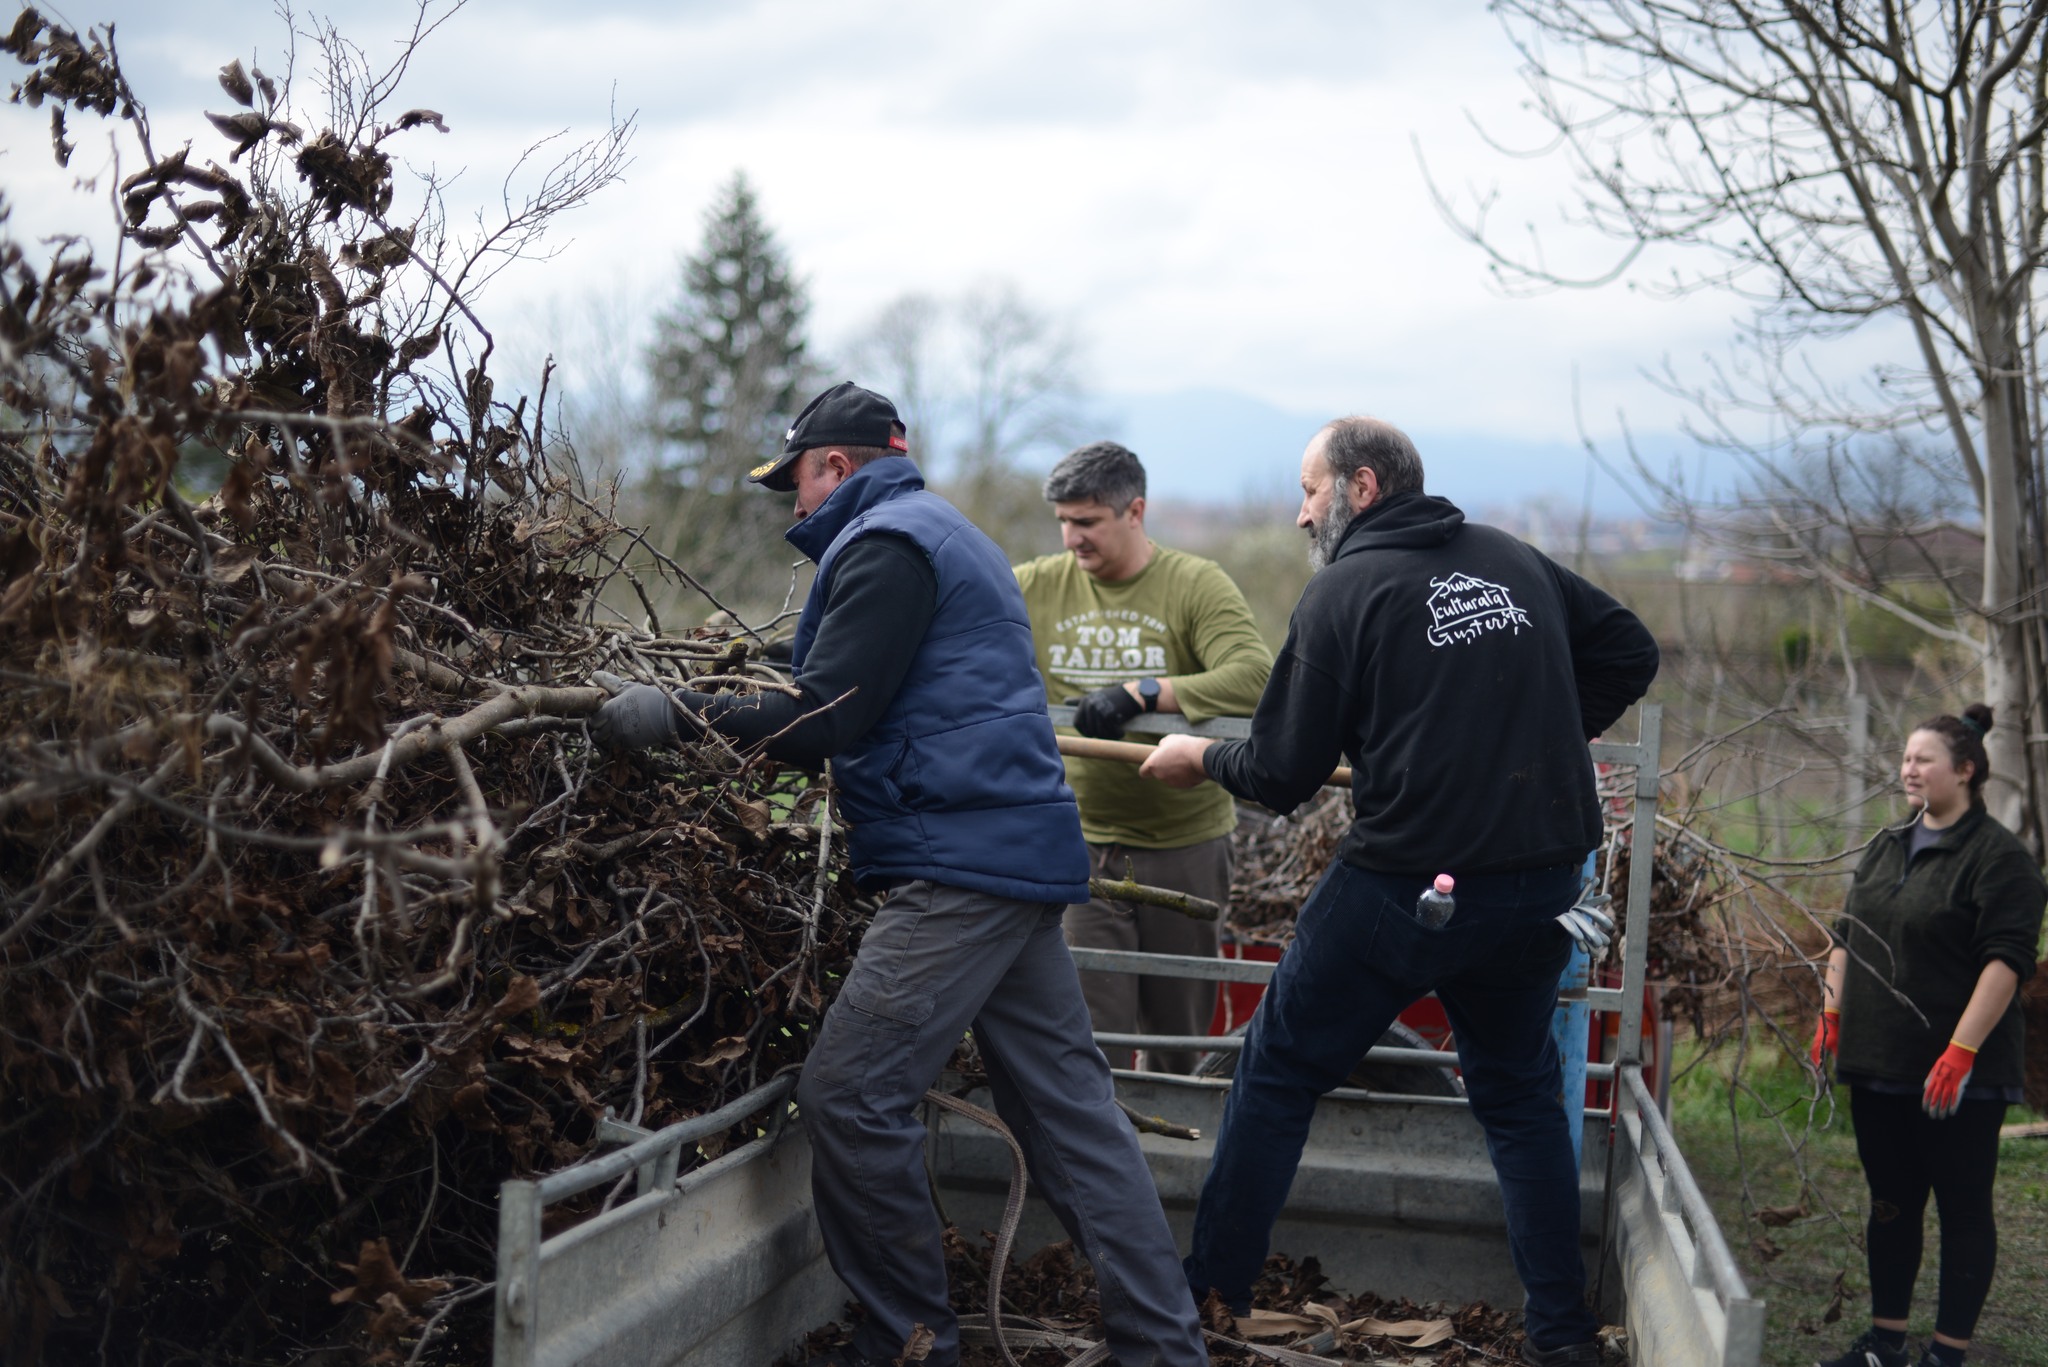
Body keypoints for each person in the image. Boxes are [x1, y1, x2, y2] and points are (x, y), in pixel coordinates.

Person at [591, 382, 1208, 1367]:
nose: (790, 504)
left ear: (833, 466)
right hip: (1015, 856)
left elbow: (823, 717)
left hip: (957, 865)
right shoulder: (939, 533)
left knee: (847, 1095)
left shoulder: (883, 544)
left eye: (792, 480)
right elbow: (863, 682)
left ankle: (908, 1343)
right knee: (1069, 1118)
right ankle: (1164, 1348)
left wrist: (673, 713)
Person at [1138, 416, 1660, 1367]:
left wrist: (1197, 753)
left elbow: (1283, 771)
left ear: (1362, 487)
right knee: (1522, 1097)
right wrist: (1530, 736)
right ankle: (1564, 1337)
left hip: (1408, 888)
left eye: (1308, 489)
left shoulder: (1346, 590)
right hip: (1543, 883)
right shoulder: (1511, 556)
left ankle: (1207, 1298)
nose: (1300, 514)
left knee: (1280, 1068)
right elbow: (1629, 649)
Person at [1015, 441, 1273, 1073]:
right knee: (1088, 1038)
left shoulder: (1194, 583)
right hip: (1079, 846)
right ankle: (1103, 1166)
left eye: (1087, 522)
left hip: (1183, 847)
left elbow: (1257, 676)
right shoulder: (1034, 586)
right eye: (1064, 523)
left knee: (1176, 1039)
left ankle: (1174, 1163)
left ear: (1135, 511)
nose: (1072, 538)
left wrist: (1147, 693)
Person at [1809, 706, 2044, 1367]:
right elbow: (1846, 935)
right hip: (1880, 1062)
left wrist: (1962, 1049)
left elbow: (2007, 962)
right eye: (1906, 758)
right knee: (1891, 1202)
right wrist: (1831, 1015)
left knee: (1964, 1206)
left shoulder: (2001, 859)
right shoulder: (1888, 843)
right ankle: (1885, 1341)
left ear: (1965, 770)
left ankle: (1947, 1352)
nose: (1909, 769)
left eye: (1924, 759)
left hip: (1959, 1074)